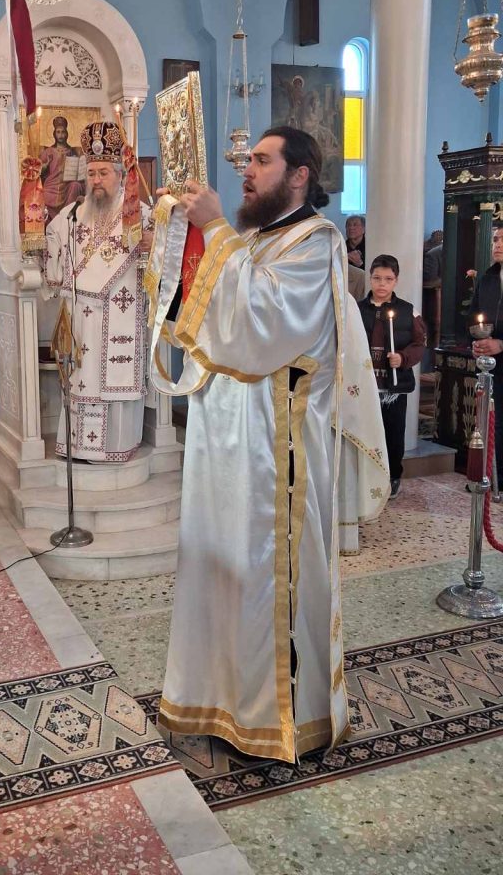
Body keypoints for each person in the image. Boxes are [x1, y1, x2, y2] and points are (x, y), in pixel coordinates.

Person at [153, 126, 381, 763]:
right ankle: (217, 702)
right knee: (220, 571)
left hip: (276, 452)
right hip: (223, 441)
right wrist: (174, 243)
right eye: (247, 160)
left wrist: (215, 228)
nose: (247, 171)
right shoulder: (252, 239)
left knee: (262, 580)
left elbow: (263, 325)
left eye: (261, 160)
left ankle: (274, 721)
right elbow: (201, 317)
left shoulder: (316, 243)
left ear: (300, 174)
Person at [43, 120, 153, 462]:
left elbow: (162, 259)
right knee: (82, 377)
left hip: (120, 314)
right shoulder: (74, 213)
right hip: (81, 318)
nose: (96, 180)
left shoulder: (140, 215)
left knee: (112, 380)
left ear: (120, 174)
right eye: (91, 173)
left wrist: (154, 244)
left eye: (103, 173)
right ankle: (79, 447)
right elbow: (50, 239)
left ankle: (115, 448)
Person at [358, 254, 427, 499]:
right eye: (377, 278)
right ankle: (364, 476)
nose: (382, 284)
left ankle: (393, 476)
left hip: (393, 386)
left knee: (393, 431)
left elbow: (420, 343)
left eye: (388, 279)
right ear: (370, 278)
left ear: (396, 281)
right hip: (364, 385)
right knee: (364, 431)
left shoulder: (408, 311)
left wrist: (403, 358)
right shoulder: (357, 309)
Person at [469, 226, 503, 489]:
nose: (498, 244)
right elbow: (475, 315)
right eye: (495, 239)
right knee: (491, 421)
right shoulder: (488, 278)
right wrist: (478, 342)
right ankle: (490, 475)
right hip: (492, 366)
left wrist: (501, 344)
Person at [40, 117, 84, 217]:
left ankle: (69, 215)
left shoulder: (72, 151)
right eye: (58, 132)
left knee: (76, 185)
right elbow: (39, 170)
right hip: (52, 185)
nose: (60, 135)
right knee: (44, 193)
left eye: (63, 132)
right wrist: (45, 166)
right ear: (54, 134)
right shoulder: (48, 152)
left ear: (66, 134)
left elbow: (79, 170)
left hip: (67, 184)